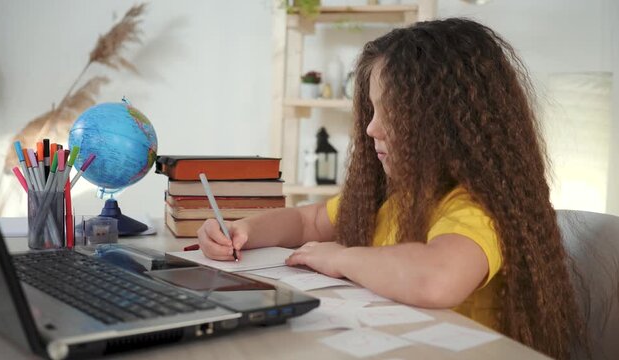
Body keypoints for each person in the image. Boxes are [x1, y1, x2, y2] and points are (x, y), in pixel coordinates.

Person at [198, 18, 586, 359]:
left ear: (448, 124)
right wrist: (244, 229)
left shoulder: (478, 209)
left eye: (391, 113)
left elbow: (438, 278)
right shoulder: (397, 197)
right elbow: (308, 220)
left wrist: (341, 258)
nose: (371, 129)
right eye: (372, 110)